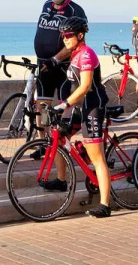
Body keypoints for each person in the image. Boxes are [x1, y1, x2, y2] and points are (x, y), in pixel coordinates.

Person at [48, 17, 112, 218]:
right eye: (63, 36)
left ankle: (105, 205)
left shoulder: (86, 54)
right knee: (57, 135)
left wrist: (65, 104)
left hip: (92, 106)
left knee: (97, 157)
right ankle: (61, 179)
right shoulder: (74, 54)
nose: (65, 39)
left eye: (68, 35)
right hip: (79, 107)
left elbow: (84, 87)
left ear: (80, 35)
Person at [31, 0, 87, 158]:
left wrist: (55, 59)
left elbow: (76, 43)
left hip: (63, 67)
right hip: (43, 64)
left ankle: (62, 144)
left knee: (64, 108)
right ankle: (43, 144)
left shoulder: (75, 11)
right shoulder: (46, 5)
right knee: (41, 107)